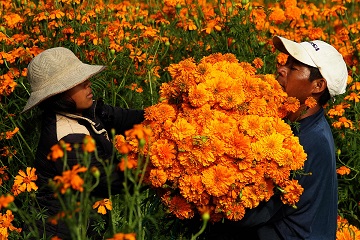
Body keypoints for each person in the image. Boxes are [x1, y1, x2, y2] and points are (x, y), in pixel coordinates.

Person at [205, 36, 348, 239]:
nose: (282, 69)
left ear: (318, 85)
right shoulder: (295, 123)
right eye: (286, 63)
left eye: (294, 68)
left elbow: (254, 214)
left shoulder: (309, 142)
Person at [22, 47, 145, 239]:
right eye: (78, 82)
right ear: (59, 94)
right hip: (60, 232)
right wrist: (158, 170)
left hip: (85, 223)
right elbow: (108, 182)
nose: (88, 83)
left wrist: (167, 112)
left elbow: (128, 118)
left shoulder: (86, 110)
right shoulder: (66, 138)